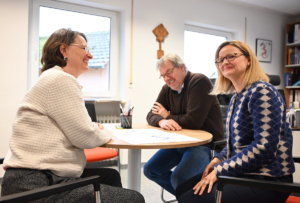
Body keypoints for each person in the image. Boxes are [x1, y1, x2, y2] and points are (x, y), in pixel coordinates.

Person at [1, 28, 145, 203]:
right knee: (134, 198)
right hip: (36, 184)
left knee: (110, 176)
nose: (90, 55)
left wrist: (92, 128)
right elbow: (86, 137)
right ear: (63, 50)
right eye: (84, 48)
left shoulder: (53, 78)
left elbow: (80, 128)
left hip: (34, 177)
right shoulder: (61, 80)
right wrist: (108, 130)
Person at [175, 40, 295, 203]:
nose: (225, 62)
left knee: (191, 198)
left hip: (270, 179)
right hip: (247, 172)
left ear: (248, 60)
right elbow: (236, 144)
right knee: (182, 188)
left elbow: (264, 149)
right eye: (220, 60)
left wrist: (220, 169)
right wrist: (219, 159)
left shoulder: (262, 91)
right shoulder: (237, 97)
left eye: (232, 56)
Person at [144, 53, 224, 195]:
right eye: (163, 75)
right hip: (180, 143)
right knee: (151, 170)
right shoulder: (167, 88)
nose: (167, 79)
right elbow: (150, 115)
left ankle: (189, 196)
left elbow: (193, 121)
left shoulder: (199, 81)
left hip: (205, 145)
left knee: (179, 178)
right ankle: (189, 197)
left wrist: (167, 115)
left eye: (169, 72)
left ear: (181, 67)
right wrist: (162, 121)